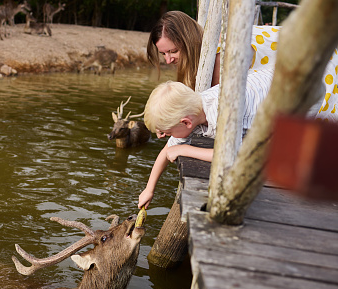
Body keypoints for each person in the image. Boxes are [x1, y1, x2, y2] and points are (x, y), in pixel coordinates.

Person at [137, 67, 324, 209]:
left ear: (186, 123)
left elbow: (231, 155)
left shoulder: (222, 114)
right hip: (274, 81)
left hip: (301, 95)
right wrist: (149, 189)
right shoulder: (194, 108)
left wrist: (184, 149)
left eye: (167, 132)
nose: (163, 137)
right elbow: (167, 151)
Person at [147, 12, 338, 122]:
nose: (168, 60)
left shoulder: (221, 61)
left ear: (188, 42)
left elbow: (231, 110)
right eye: (163, 54)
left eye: (173, 51)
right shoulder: (207, 53)